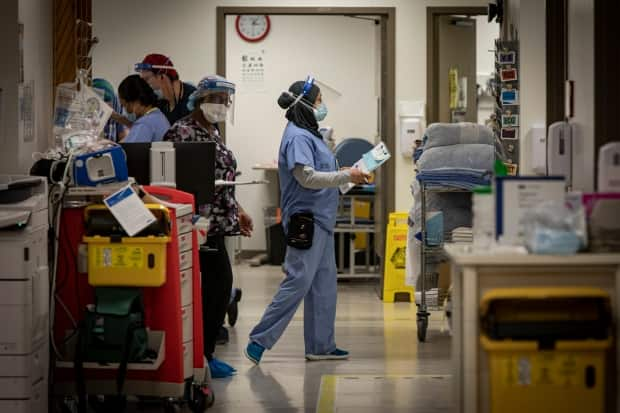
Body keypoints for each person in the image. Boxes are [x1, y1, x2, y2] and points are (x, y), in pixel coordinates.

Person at [244, 77, 369, 364]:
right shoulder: (298, 136)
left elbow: (324, 171)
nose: (322, 106)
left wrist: (347, 172)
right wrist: (345, 176)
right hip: (306, 220)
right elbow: (307, 177)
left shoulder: (311, 134)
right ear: (306, 104)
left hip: (321, 219)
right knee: (299, 282)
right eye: (319, 100)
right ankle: (258, 340)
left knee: (324, 284)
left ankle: (320, 346)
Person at [163, 75, 253, 378]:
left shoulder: (212, 130)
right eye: (216, 99)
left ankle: (204, 352)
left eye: (226, 101)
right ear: (200, 99)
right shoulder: (182, 131)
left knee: (217, 286)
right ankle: (201, 354)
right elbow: (172, 178)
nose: (222, 106)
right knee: (216, 285)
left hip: (216, 222)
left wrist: (239, 211)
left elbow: (220, 179)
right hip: (195, 223)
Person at [135, 53, 196, 125]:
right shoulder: (160, 104)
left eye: (147, 79)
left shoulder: (193, 99)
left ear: (162, 77)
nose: (146, 86)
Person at [117, 75, 170, 143]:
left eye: (125, 106)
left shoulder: (144, 124)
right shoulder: (158, 116)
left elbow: (130, 151)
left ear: (136, 102)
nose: (127, 111)